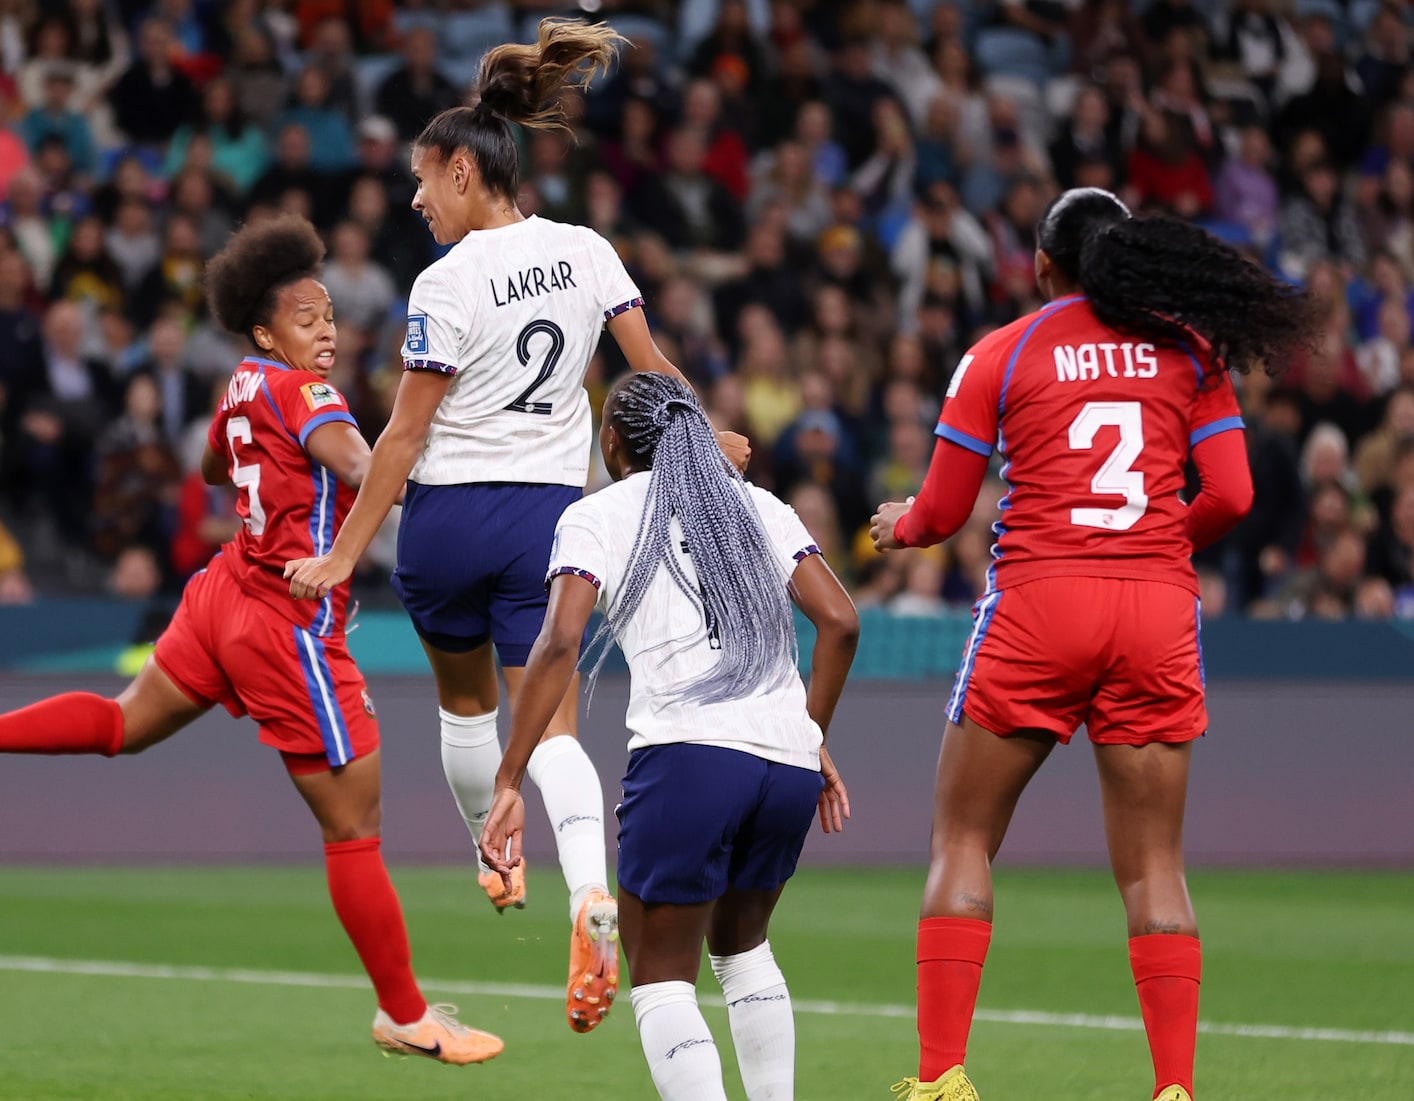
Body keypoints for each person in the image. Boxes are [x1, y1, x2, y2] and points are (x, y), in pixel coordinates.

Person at [0, 217, 502, 1066]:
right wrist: (471, 477)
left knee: (122, 724)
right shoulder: (307, 395)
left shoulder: (243, 383)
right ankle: (405, 1012)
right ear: (265, 330)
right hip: (286, 618)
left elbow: (214, 467)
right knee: (354, 826)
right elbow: (361, 467)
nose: (327, 330)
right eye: (308, 319)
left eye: (329, 316)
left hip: (220, 593)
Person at [282, 18, 750, 1033]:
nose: (414, 198)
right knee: (552, 728)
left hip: (448, 520)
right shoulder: (584, 250)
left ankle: (490, 854)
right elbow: (646, 367)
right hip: (552, 519)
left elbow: (402, 438)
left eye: (421, 179)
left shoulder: (443, 283)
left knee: (464, 716)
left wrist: (342, 553)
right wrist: (702, 434)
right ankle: (589, 886)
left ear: (462, 169)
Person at [868, 189, 1318, 1101]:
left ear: (1043, 264)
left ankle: (941, 1079)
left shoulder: (1004, 350)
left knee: (962, 837)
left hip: (1039, 604)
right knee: (1156, 866)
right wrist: (1150, 546)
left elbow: (947, 509)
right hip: (1155, 609)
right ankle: (1175, 1088)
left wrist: (900, 528)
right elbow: (1231, 495)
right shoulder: (1191, 351)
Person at [480, 372, 857, 1099]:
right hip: (784, 765)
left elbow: (560, 641)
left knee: (661, 980)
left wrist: (508, 777)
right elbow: (841, 621)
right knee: (745, 952)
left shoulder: (601, 514)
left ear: (613, 440)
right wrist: (808, 733)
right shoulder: (761, 507)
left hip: (689, 757)